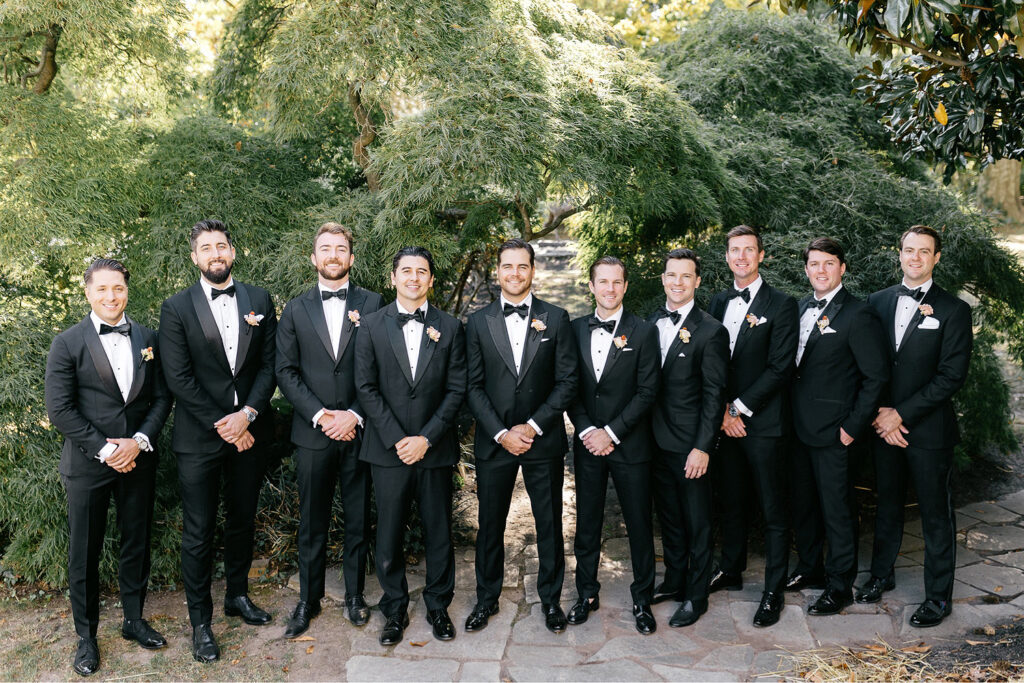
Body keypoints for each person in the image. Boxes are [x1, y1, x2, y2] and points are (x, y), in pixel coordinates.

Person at [45, 258, 173, 677]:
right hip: (87, 465)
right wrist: (104, 448)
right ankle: (87, 637)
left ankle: (134, 621)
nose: (111, 296)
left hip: (138, 459)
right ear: (88, 292)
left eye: (117, 288)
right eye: (102, 289)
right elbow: (59, 409)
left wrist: (137, 442)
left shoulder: (149, 338)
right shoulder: (68, 343)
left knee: (135, 542)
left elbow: (161, 398)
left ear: (127, 291)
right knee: (84, 552)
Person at [159, 219, 278, 662]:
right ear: (195, 257)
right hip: (199, 439)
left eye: (221, 246)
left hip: (250, 432)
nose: (215, 254)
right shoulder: (176, 309)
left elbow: (269, 365)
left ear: (233, 251)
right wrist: (225, 423)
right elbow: (178, 378)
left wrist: (246, 415)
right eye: (206, 248)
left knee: (242, 519)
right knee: (199, 530)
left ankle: (238, 595)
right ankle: (201, 622)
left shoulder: (259, 299)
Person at [860, 225, 972, 627]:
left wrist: (900, 415)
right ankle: (880, 576)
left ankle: (939, 598)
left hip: (927, 431)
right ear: (900, 253)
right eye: (909, 250)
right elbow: (867, 365)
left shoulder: (954, 310)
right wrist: (879, 414)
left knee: (935, 514)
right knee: (886, 504)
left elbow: (950, 376)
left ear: (936, 257)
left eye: (924, 251)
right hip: (882, 426)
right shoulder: (876, 302)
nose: (915, 257)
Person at [354, 246, 467, 646]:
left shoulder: (451, 327)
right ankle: (394, 607)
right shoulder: (369, 325)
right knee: (388, 532)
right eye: (406, 271)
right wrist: (398, 439)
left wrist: (426, 438)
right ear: (393, 278)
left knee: (439, 531)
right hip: (388, 449)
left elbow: (457, 390)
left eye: (422, 271)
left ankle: (438, 605)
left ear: (431, 280)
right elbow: (365, 388)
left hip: (434, 448)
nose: (414, 278)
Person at [464, 238, 578, 634]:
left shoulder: (557, 318)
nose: (515, 273)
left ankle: (550, 601)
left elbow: (567, 382)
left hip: (541, 440)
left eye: (522, 266)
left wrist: (531, 426)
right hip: (493, 444)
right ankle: (486, 598)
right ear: (498, 272)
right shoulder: (477, 323)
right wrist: (499, 432)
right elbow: (472, 386)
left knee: (549, 524)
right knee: (490, 524)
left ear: (533, 271)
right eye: (507, 267)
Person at [275, 222, 383, 638]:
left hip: (360, 431)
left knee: (358, 517)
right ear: (314, 258)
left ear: (351, 258)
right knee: (311, 520)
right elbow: (285, 371)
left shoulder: (374, 304)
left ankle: (355, 596)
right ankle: (308, 600)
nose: (333, 255)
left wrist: (353, 415)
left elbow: (380, 369)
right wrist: (322, 415)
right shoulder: (295, 309)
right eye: (326, 249)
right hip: (313, 434)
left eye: (341, 249)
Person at [789, 237, 888, 616]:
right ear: (806, 269)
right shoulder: (799, 308)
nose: (821, 270)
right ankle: (810, 569)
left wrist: (851, 428)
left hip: (836, 433)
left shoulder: (857, 314)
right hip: (798, 430)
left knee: (837, 510)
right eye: (814, 263)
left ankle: (839, 585)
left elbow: (875, 378)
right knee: (804, 506)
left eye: (829, 263)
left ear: (842, 268)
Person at [706, 225, 798, 627]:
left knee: (773, 510)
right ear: (726, 257)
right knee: (731, 501)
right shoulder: (716, 300)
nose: (741, 256)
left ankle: (773, 591)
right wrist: (722, 414)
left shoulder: (782, 304)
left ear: (762, 256)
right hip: (725, 424)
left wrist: (739, 409)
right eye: (734, 250)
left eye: (749, 250)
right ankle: (731, 569)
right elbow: (709, 363)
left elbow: (781, 368)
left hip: (763, 425)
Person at [566, 256, 660, 635]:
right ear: (591, 286)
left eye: (616, 282)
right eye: (602, 282)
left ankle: (642, 598)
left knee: (639, 524)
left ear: (625, 286)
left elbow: (648, 390)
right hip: (588, 444)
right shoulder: (573, 330)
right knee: (586, 523)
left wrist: (613, 432)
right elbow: (567, 386)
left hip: (631, 445)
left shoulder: (643, 331)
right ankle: (586, 593)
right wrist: (589, 430)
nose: (609, 288)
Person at [648, 248, 729, 628]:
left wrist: (703, 447)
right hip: (654, 443)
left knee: (698, 524)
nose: (677, 282)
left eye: (685, 276)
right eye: (671, 275)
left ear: (697, 281)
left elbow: (715, 396)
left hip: (690, 445)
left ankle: (696, 597)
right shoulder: (650, 323)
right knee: (670, 520)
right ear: (663, 279)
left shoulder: (712, 331)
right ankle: (675, 581)